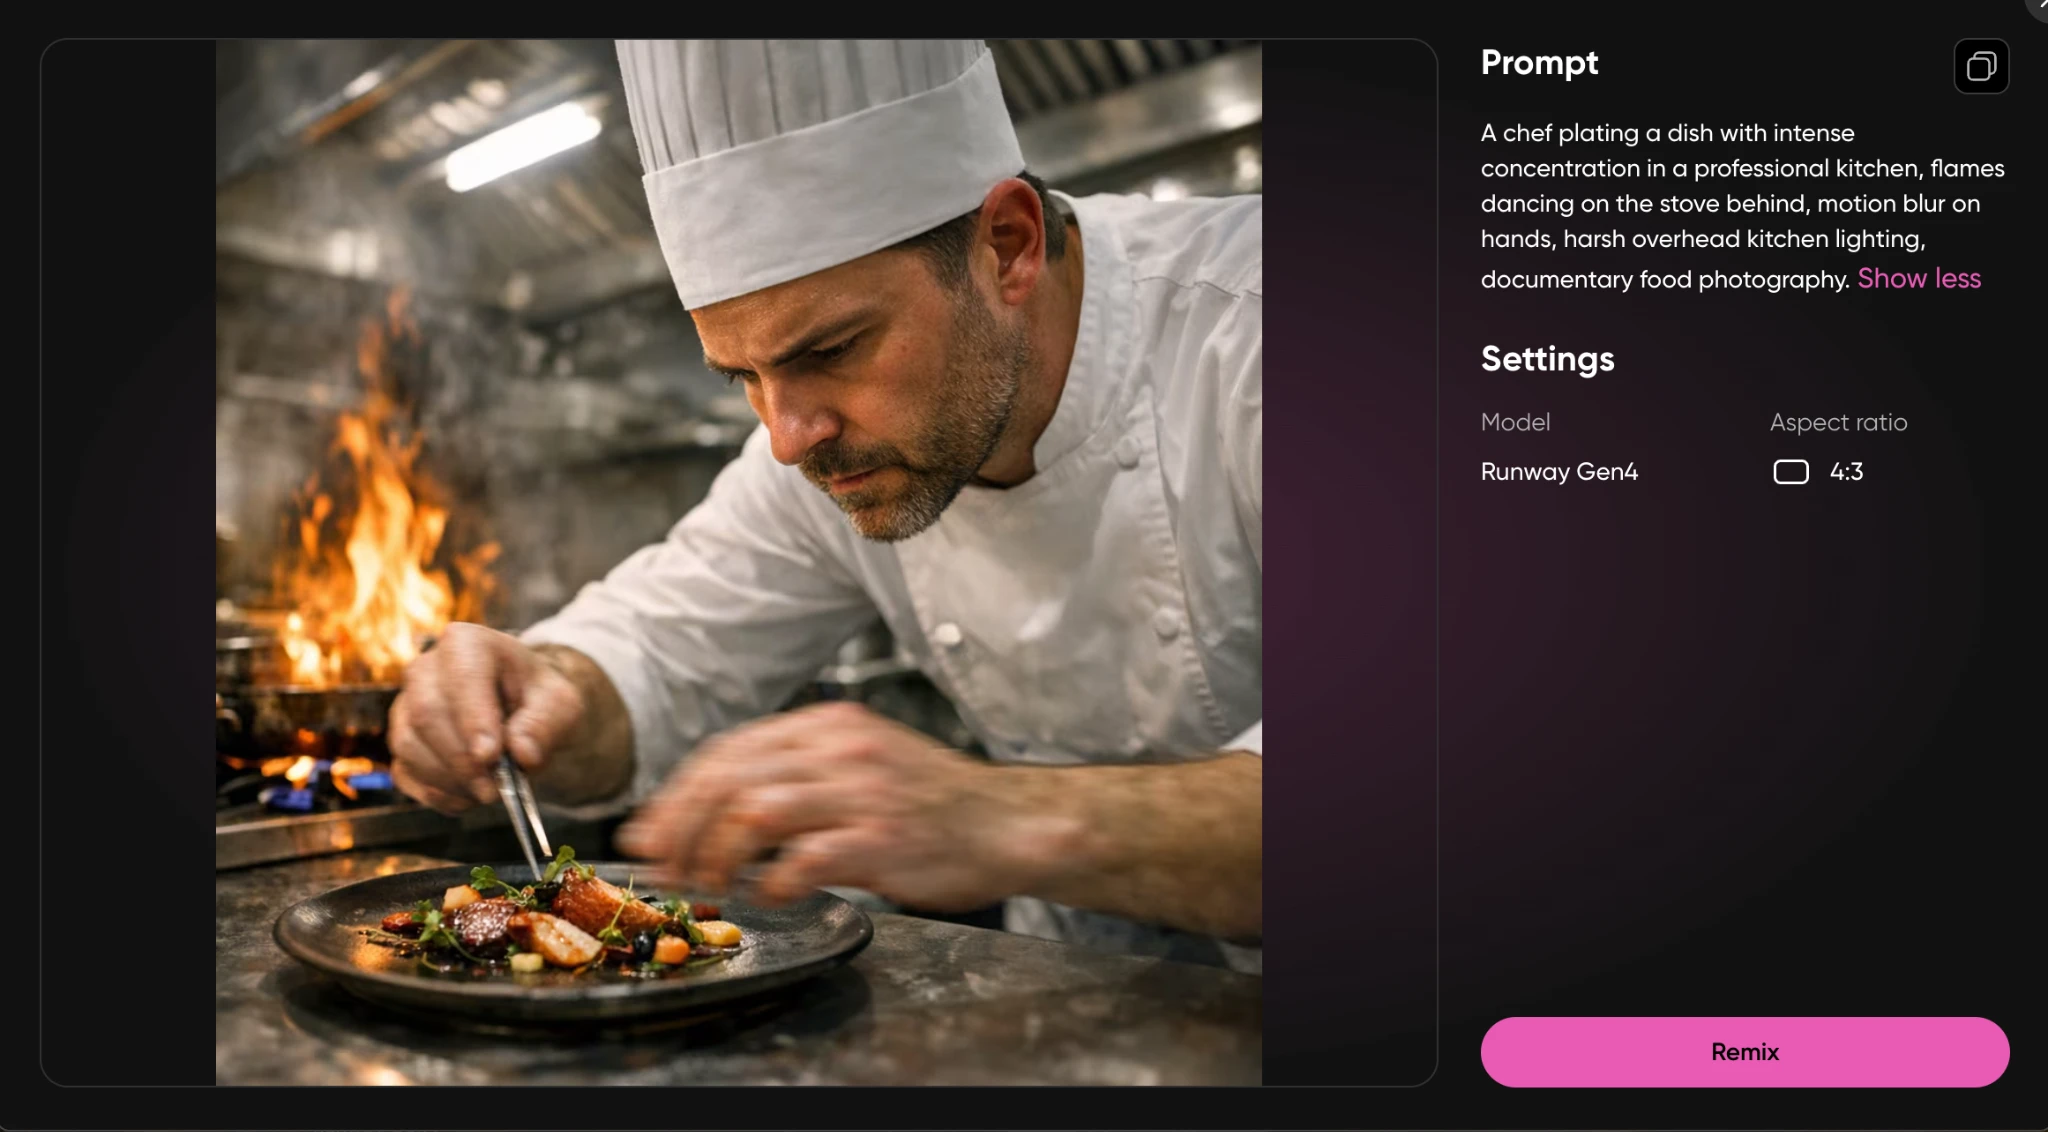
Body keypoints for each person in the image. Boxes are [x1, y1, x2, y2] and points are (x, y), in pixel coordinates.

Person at [387, 40, 1262, 970]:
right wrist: (545, 691)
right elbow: (653, 652)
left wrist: (1006, 819)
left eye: (832, 349)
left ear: (1008, 247)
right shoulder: (825, 451)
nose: (786, 435)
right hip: (1081, 995)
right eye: (743, 378)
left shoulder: (1255, 331)